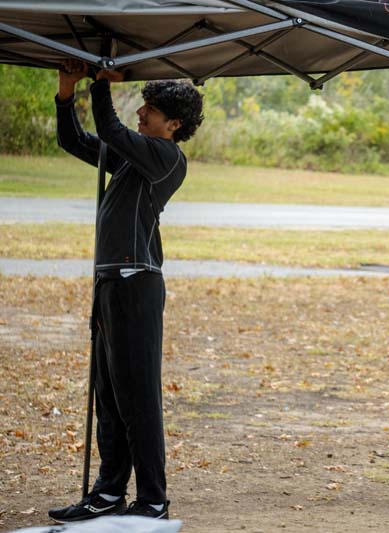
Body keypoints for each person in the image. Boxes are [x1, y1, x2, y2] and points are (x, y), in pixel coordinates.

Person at [48, 59, 203, 522]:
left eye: (150, 110)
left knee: (138, 396)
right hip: (111, 282)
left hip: (137, 284)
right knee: (110, 397)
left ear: (173, 125)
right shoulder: (135, 158)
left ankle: (152, 499)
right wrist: (64, 92)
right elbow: (74, 140)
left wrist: (101, 86)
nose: (141, 113)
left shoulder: (167, 158)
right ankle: (109, 492)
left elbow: (112, 129)